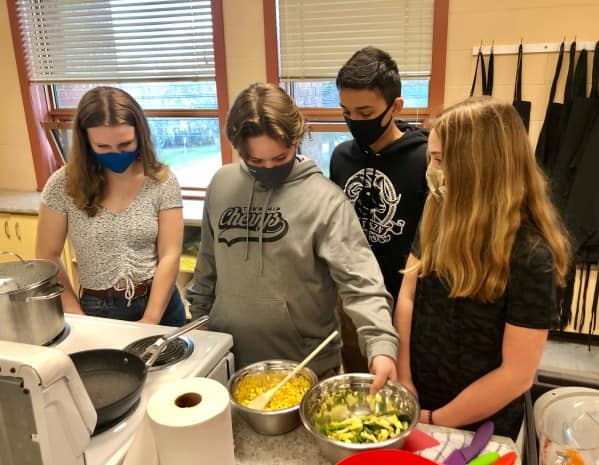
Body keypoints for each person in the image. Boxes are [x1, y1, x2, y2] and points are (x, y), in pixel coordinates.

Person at [186, 83, 398, 389]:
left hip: (304, 366)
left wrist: (381, 348)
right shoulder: (221, 183)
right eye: (255, 162)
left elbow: (362, 284)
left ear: (296, 140)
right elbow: (208, 261)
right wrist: (199, 319)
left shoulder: (326, 201)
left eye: (280, 157)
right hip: (228, 356)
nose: (269, 168)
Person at [394, 97, 572, 439]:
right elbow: (408, 296)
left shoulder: (530, 255)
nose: (431, 170)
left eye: (439, 159)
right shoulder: (438, 214)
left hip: (480, 420)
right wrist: (405, 381)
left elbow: (516, 374)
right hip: (419, 397)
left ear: (478, 168)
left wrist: (437, 419)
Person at [37, 86, 186, 327]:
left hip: (160, 305)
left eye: (125, 144)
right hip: (97, 308)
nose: (116, 153)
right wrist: (76, 315)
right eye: (103, 147)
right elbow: (47, 256)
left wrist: (151, 318)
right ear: (86, 142)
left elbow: (170, 254)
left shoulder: (161, 180)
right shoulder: (62, 185)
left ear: (140, 135)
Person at [330, 47, 428, 371]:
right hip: (355, 303)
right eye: (346, 112)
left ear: (395, 106)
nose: (355, 122)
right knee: (362, 388)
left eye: (365, 113)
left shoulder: (426, 160)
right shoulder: (341, 158)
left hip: (410, 304)